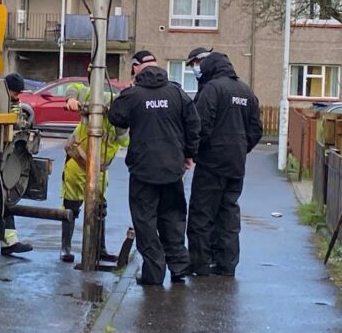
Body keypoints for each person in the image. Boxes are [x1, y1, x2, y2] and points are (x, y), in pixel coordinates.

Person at [108, 50, 201, 285]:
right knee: (173, 219)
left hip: (143, 170)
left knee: (145, 222)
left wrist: (128, 93)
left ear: (138, 69)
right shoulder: (177, 92)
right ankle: (179, 266)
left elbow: (115, 117)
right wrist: (189, 153)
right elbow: (193, 123)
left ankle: (154, 273)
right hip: (172, 169)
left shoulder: (134, 95)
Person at [185, 51, 263, 277]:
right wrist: (240, 147)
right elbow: (256, 130)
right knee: (228, 213)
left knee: (202, 213)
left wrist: (196, 152)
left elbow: (200, 126)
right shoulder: (246, 92)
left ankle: (199, 263)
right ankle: (226, 264)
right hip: (236, 163)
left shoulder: (212, 89)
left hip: (211, 163)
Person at [61, 82, 129, 263]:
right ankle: (65, 248)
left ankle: (100, 249)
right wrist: (72, 99)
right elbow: (74, 86)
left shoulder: (123, 119)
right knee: (71, 206)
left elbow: (124, 142)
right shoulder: (98, 97)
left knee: (100, 208)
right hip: (78, 162)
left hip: (100, 169)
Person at [0, 72, 33, 255]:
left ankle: (9, 242)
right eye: (15, 93)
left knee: (7, 198)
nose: (18, 97)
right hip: (1, 152)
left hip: (8, 153)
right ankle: (8, 242)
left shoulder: (14, 103)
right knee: (5, 199)